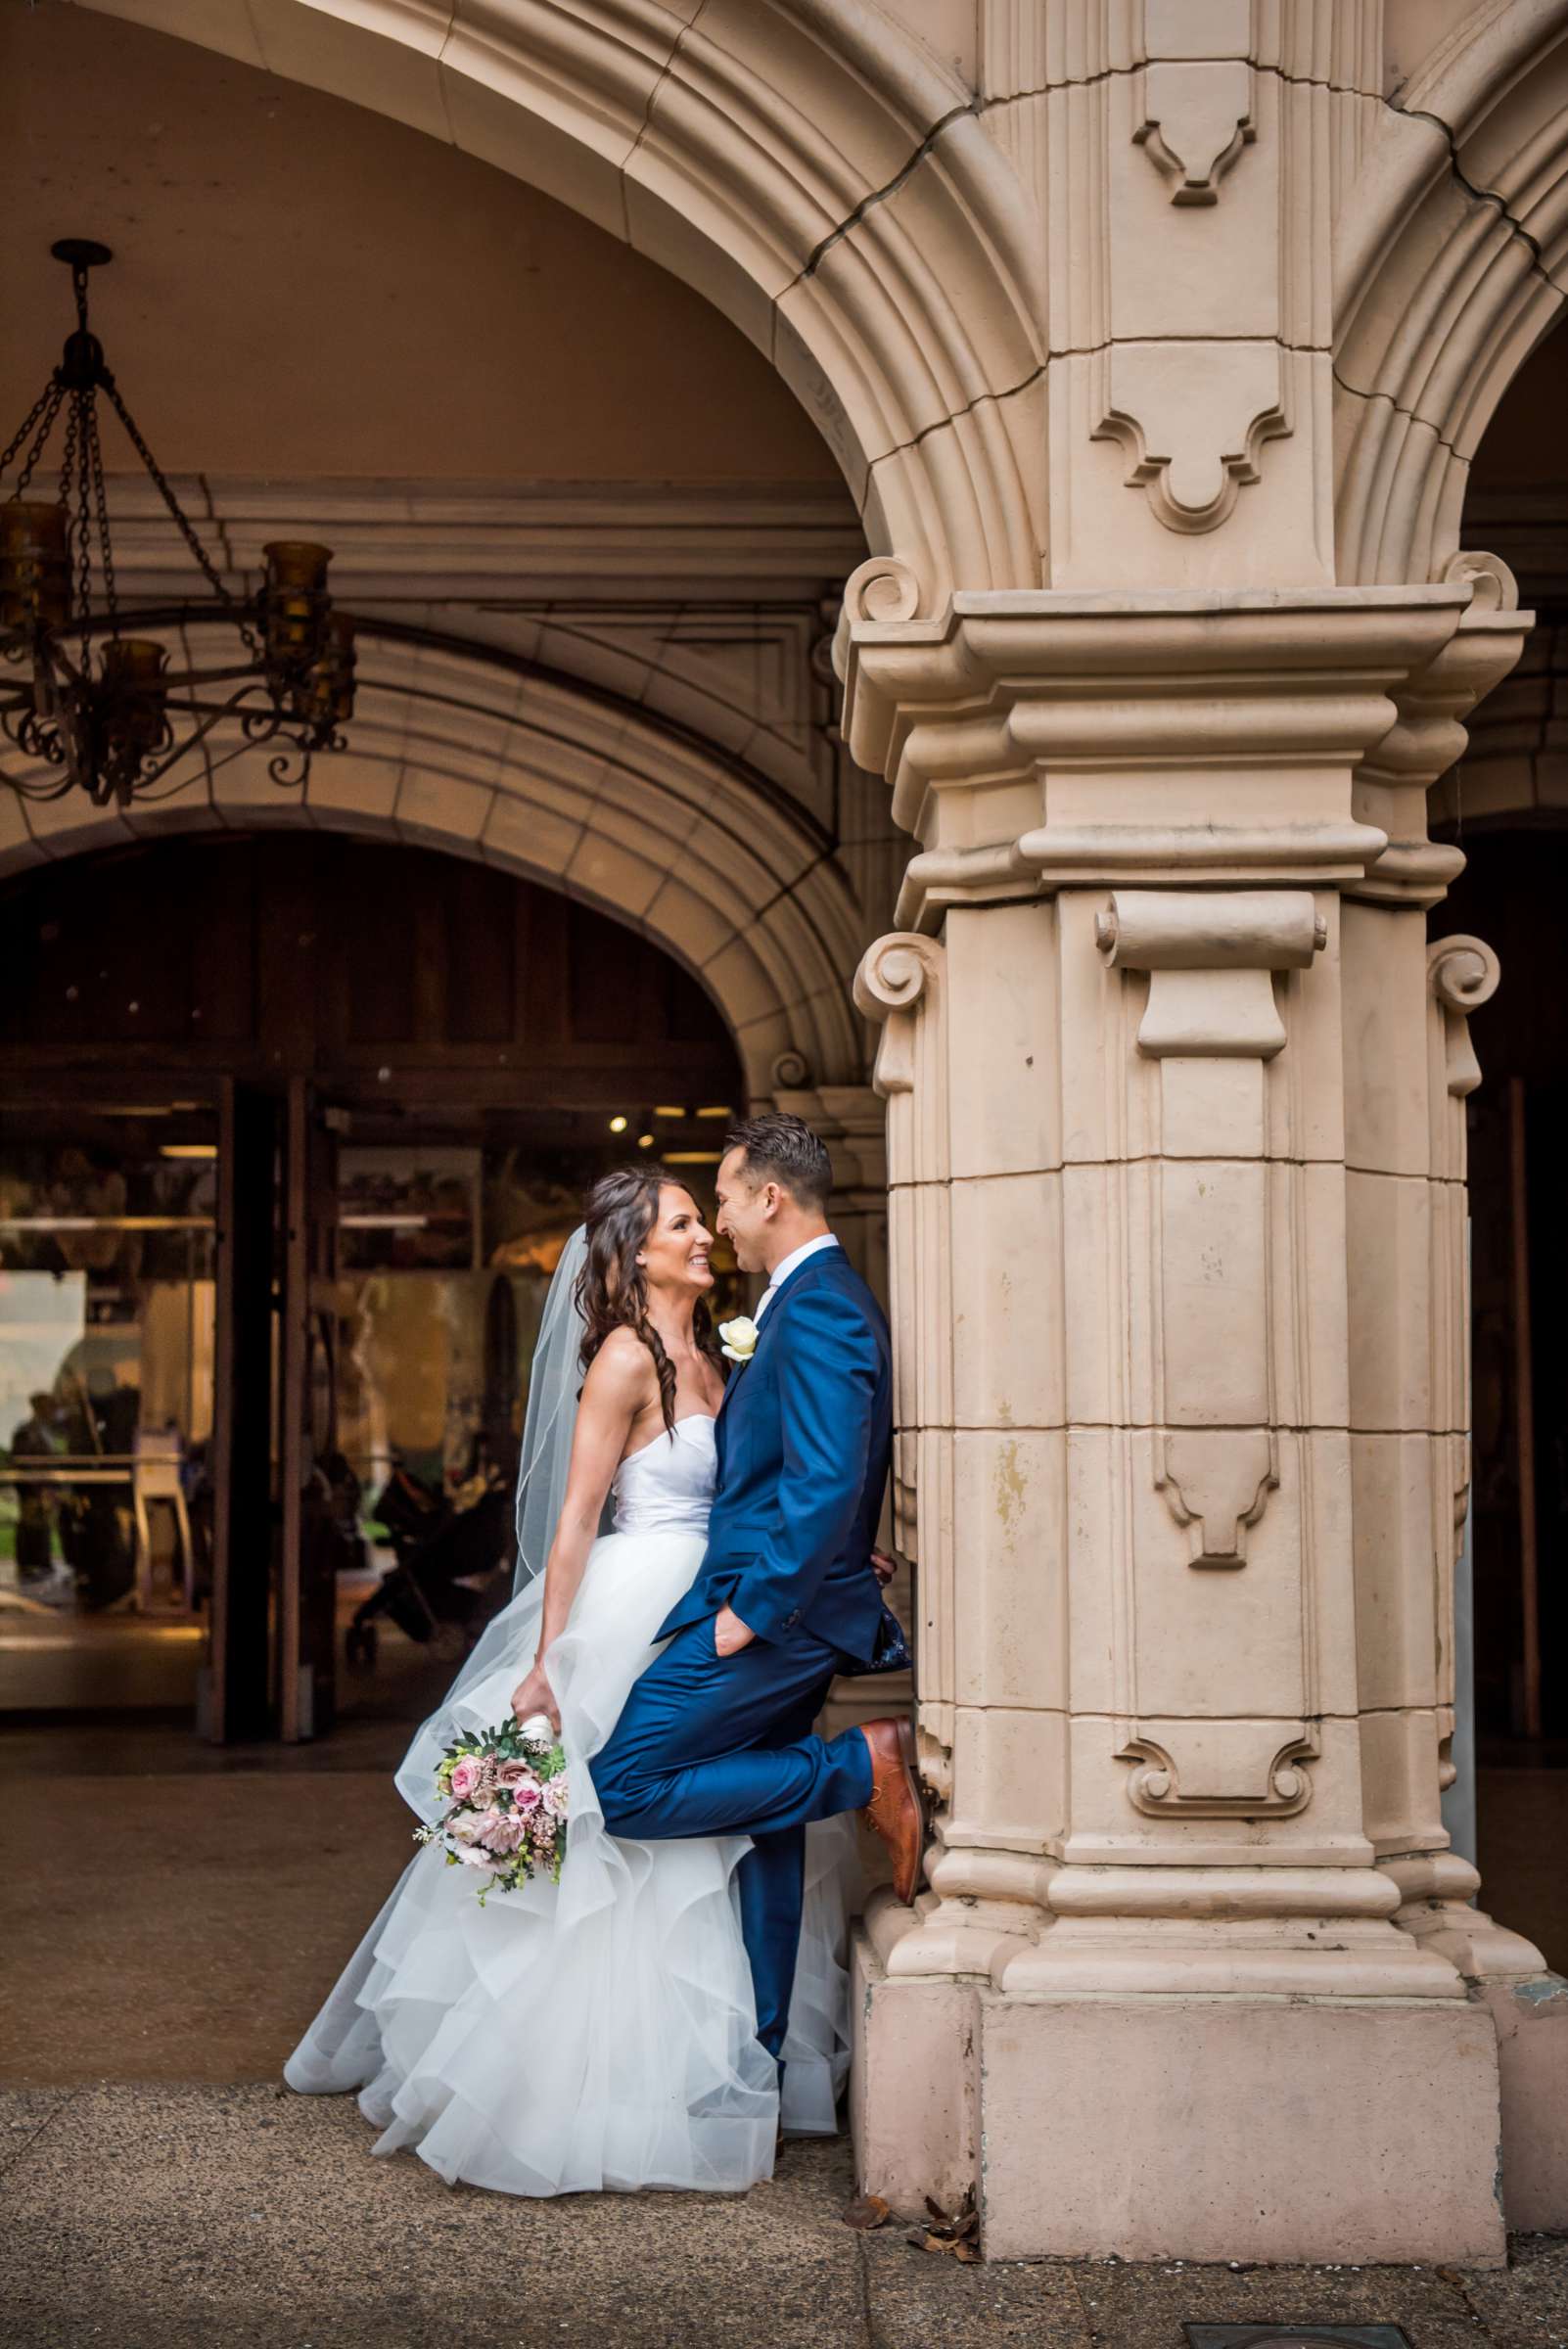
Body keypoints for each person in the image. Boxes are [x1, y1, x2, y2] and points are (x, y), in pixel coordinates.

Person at [286, 1137, 919, 2197]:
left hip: (723, 1603)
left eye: (705, 1208)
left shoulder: (733, 1347)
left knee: (733, 1820)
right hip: (646, 1610)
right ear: (636, 1251)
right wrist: (547, 1662)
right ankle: (590, 2070)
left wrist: (840, 1547)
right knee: (609, 1808)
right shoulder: (625, 1357)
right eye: (680, 1220)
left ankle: (746, 2067)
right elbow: (575, 1519)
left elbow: (793, 1470)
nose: (704, 1230)